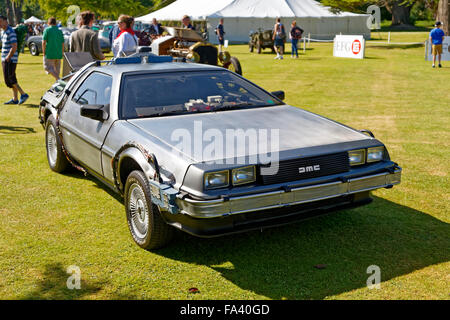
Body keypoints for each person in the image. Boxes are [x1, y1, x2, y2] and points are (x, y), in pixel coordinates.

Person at [0, 15, 29, 105]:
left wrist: (8, 57)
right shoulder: (3, 32)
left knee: (10, 79)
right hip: (6, 59)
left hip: (10, 59)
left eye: (0, 21)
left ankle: (23, 94)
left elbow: (14, 46)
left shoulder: (10, 32)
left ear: (6, 21)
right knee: (9, 79)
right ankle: (15, 98)